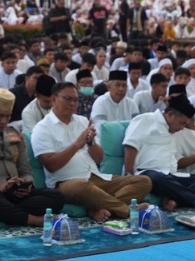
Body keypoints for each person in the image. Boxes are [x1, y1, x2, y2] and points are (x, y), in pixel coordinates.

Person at [31, 81, 151, 223]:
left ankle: (97, 208)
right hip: (65, 183)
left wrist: (90, 143)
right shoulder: (42, 128)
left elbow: (99, 159)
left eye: (75, 100)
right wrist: (77, 144)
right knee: (82, 186)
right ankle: (127, 211)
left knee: (144, 181)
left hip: (95, 177)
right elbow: (51, 165)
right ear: (54, 99)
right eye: (68, 99)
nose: (72, 103)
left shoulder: (82, 121)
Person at [0, 87, 66, 227]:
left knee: (56, 197)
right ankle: (34, 220)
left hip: (14, 194)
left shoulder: (15, 133)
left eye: (8, 116)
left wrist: (26, 185)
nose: (4, 121)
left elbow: (25, 170)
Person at [122, 95, 195, 211]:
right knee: (160, 178)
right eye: (181, 123)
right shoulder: (146, 119)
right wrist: (129, 175)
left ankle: (173, 200)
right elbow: (130, 146)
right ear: (170, 115)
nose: (182, 128)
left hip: (171, 176)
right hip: (147, 174)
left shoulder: (173, 131)